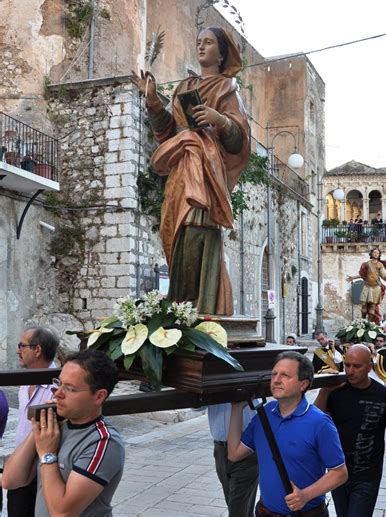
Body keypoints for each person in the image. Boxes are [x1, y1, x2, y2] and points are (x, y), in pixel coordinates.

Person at [132, 27, 250, 316]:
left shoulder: (226, 89)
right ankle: (180, 306)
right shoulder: (185, 87)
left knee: (198, 228)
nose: (201, 47)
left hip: (207, 169)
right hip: (183, 166)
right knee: (176, 229)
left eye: (208, 43)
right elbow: (168, 132)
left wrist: (219, 119)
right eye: (198, 42)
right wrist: (153, 102)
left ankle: (201, 306)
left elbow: (239, 141)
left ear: (221, 53)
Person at [3, 350, 125, 516]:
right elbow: (10, 480)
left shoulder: (103, 442)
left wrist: (47, 454)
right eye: (58, 383)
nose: (58, 393)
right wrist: (39, 427)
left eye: (70, 389)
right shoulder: (57, 427)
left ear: (99, 396)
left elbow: (62, 513)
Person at [228, 351, 348, 516]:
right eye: (274, 374)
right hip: (265, 512)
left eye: (285, 375)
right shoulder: (264, 414)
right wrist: (236, 408)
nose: (276, 380)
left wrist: (305, 495)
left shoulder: (320, 423)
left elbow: (340, 473)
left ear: (303, 384)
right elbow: (234, 454)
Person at [315, 344, 386, 517]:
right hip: (337, 472)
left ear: (369, 367)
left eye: (357, 366)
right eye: (347, 365)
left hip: (367, 477)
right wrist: (324, 392)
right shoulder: (335, 392)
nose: (350, 371)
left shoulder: (385, 397)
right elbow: (314, 422)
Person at [7, 326, 59, 517]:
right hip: (21, 464)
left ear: (37, 350)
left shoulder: (57, 386)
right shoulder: (26, 379)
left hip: (44, 469)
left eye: (22, 346)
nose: (17, 350)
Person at [207, 404, 258, 517]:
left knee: (237, 507)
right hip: (220, 448)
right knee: (235, 503)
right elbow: (197, 406)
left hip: (245, 447)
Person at [347, 248, 386, 324]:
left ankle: (369, 323)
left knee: (372, 308)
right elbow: (362, 275)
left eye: (377, 253)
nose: (375, 254)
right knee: (363, 307)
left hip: (376, 287)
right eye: (374, 252)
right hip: (367, 286)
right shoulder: (366, 264)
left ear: (379, 255)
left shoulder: (380, 264)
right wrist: (353, 277)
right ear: (371, 254)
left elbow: (383, 273)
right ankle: (363, 321)